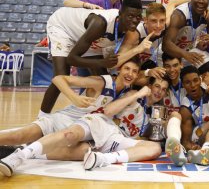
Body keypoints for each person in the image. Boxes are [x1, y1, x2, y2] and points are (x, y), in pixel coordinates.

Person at [0, 70, 165, 176]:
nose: (159, 91)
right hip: (84, 121)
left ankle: (103, 159)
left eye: (164, 89)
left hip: (111, 136)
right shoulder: (126, 91)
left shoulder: (154, 112)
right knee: (19, 135)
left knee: (154, 148)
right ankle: (19, 155)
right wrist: (75, 97)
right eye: (157, 86)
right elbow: (108, 111)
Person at [0, 59, 140, 155]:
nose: (130, 73)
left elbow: (146, 79)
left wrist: (148, 73)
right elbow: (58, 79)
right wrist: (75, 98)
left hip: (76, 130)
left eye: (134, 71)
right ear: (119, 70)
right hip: (61, 120)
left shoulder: (125, 90)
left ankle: (20, 151)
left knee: (79, 151)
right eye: (127, 69)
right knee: (18, 136)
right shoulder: (102, 82)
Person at [40, 0, 144, 114]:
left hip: (85, 35)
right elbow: (72, 59)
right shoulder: (100, 23)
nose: (135, 20)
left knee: (105, 80)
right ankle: (42, 118)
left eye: (138, 17)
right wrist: (102, 62)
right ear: (120, 14)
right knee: (62, 74)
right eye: (130, 16)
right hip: (63, 27)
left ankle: (91, 113)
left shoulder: (131, 29)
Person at [164, 65, 209, 167]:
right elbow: (186, 141)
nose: (193, 85)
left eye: (195, 80)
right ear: (183, 85)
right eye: (187, 82)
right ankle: (201, 151)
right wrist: (191, 147)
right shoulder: (185, 108)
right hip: (200, 134)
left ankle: (197, 155)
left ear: (200, 80)